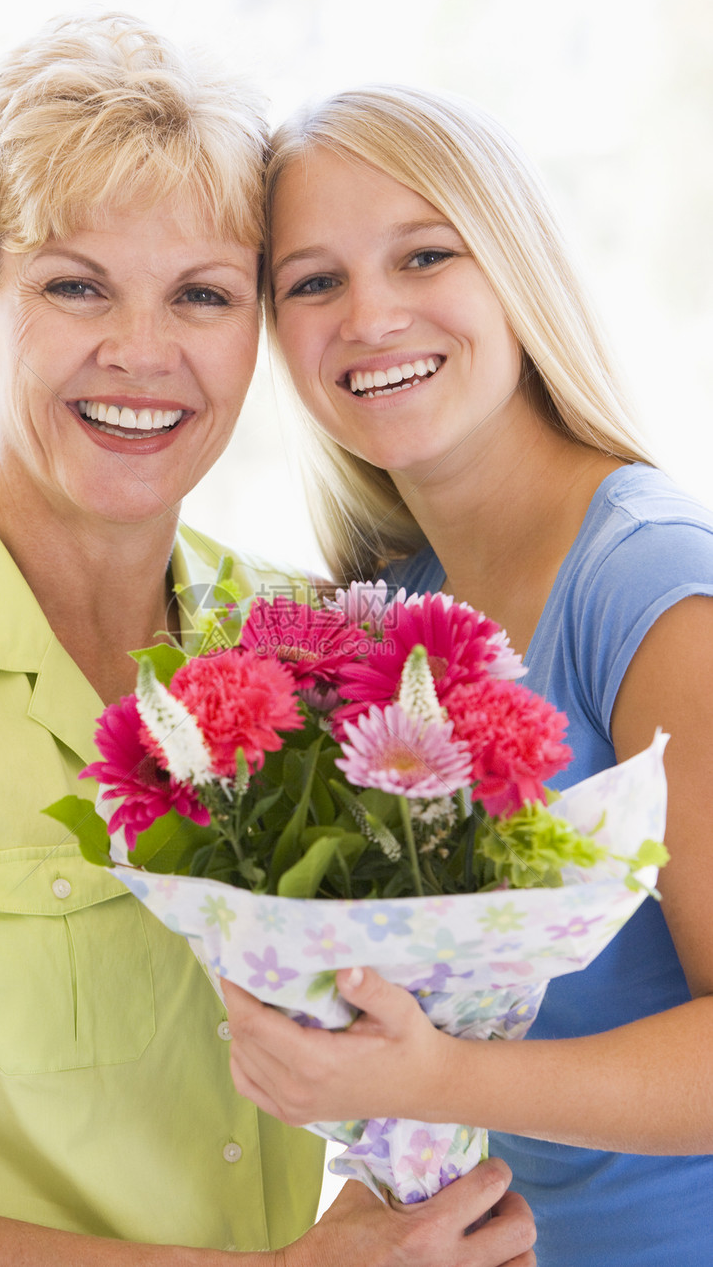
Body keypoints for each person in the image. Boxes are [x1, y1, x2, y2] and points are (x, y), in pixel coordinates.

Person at [0, 18, 537, 1267]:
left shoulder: (306, 640)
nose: (143, 352)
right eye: (74, 284)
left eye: (202, 295)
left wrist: (405, 1200)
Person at [222, 85, 713, 1266]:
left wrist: (438, 1074)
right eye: (312, 281)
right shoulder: (382, 609)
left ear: (514, 271)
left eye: (423, 254)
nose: (369, 315)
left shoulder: (645, 584)